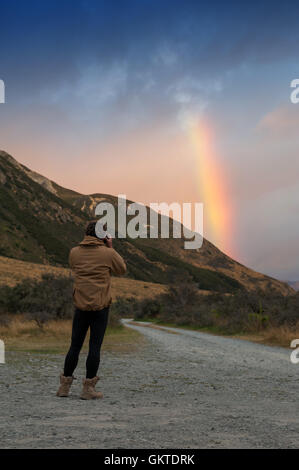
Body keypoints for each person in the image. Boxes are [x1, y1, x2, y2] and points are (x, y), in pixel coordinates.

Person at [56, 220, 126, 400]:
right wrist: (110, 247)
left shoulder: (74, 252)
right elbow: (121, 270)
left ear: (86, 234)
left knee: (75, 346)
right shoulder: (108, 253)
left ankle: (64, 387)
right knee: (95, 347)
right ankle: (88, 390)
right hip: (100, 306)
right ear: (103, 235)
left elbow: (74, 267)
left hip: (80, 305)